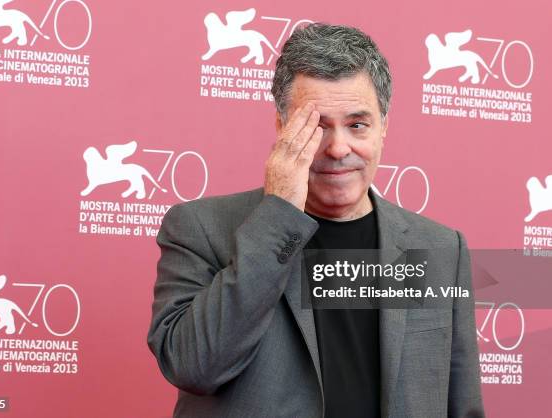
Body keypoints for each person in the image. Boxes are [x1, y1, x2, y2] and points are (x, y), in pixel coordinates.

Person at [147, 23, 484, 418]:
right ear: (281, 127)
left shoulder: (441, 248)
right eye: (317, 126)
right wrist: (279, 218)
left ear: (384, 127)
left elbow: (462, 406)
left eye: (357, 125)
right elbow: (194, 366)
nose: (338, 148)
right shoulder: (200, 228)